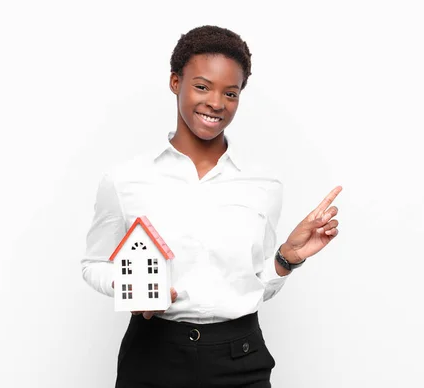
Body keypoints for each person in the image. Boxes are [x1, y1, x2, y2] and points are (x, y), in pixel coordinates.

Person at [81, 25, 342, 388]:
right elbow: (94, 264)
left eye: (230, 93)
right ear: (176, 82)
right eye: (202, 86)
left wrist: (286, 258)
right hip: (154, 355)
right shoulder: (125, 181)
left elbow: (256, 286)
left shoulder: (264, 185)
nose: (216, 103)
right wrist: (134, 287)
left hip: (241, 357)